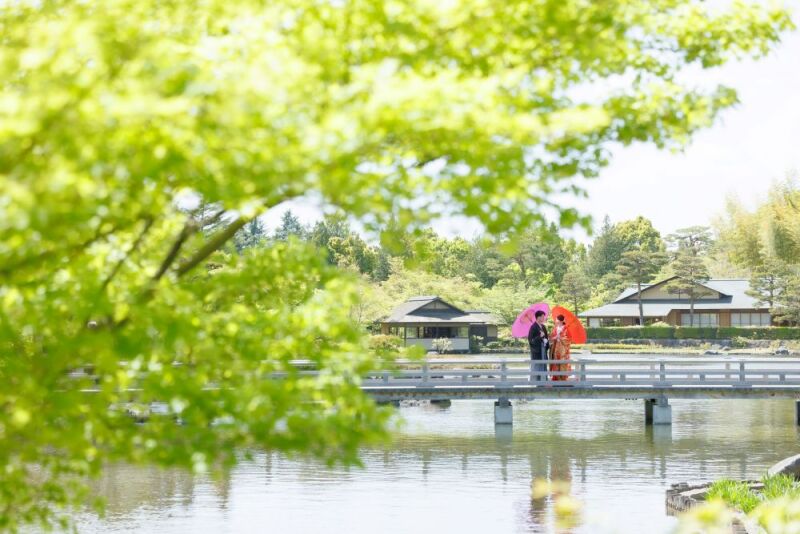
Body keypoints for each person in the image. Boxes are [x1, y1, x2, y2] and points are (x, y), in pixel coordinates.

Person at [548, 314, 571, 382]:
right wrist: (554, 338)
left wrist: (560, 338)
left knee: (563, 362)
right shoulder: (555, 328)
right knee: (555, 361)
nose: (555, 320)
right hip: (556, 348)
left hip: (563, 349)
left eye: (557, 319)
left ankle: (563, 378)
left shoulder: (566, 328)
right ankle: (556, 377)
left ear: (560, 320)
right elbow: (551, 337)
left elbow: (569, 339)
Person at [528, 310, 548, 381]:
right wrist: (539, 337)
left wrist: (546, 341)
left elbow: (546, 337)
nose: (544, 318)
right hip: (537, 351)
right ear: (538, 317)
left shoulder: (543, 327)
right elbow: (531, 340)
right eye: (542, 317)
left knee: (544, 365)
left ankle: (544, 381)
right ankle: (536, 382)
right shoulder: (533, 327)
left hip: (543, 349)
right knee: (537, 365)